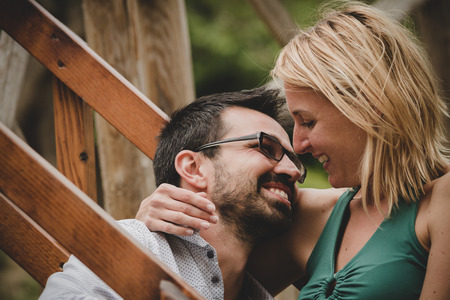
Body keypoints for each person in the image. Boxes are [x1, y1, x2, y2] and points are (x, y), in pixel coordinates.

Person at [135, 2, 450, 299]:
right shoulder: (312, 217)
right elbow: (211, 283)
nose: (298, 148)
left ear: (369, 106)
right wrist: (148, 228)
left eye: (309, 122)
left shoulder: (441, 200)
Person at [39, 87, 307, 300]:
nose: (292, 171)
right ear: (193, 168)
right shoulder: (136, 244)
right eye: (266, 147)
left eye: (295, 161)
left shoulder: (256, 292)